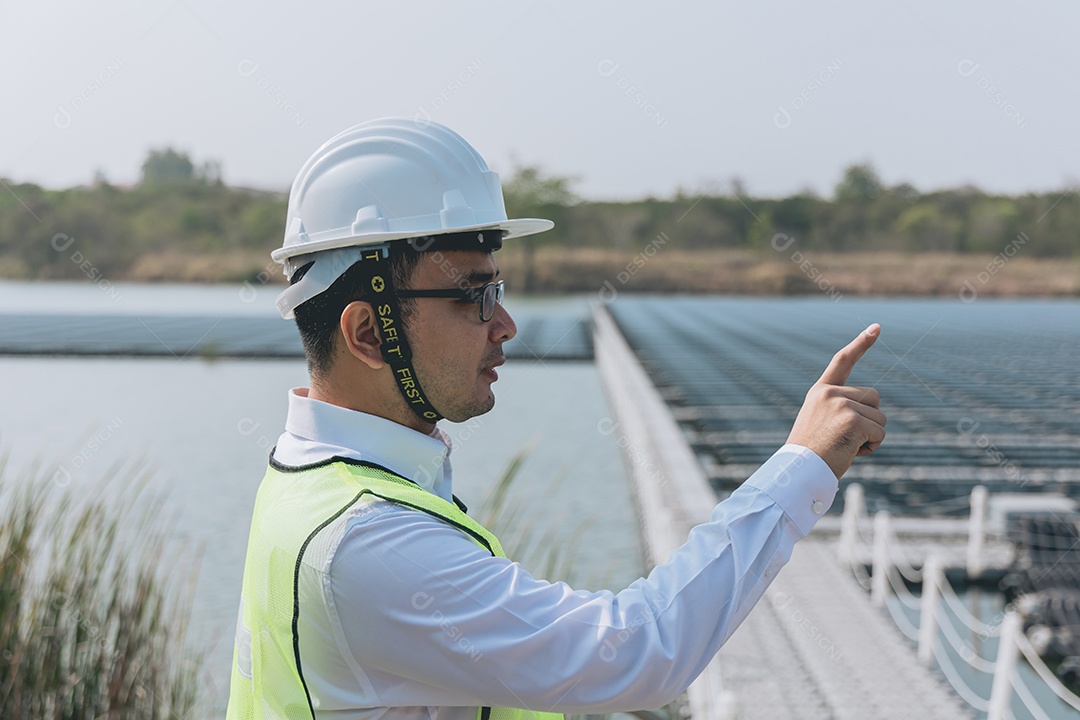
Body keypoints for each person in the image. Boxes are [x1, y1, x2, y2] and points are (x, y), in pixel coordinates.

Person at [226, 118, 886, 720]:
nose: (505, 326)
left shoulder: (312, 478)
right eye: (473, 298)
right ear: (368, 333)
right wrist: (803, 465)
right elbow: (637, 654)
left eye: (499, 291)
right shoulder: (365, 541)